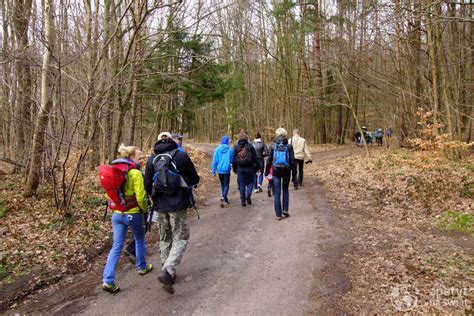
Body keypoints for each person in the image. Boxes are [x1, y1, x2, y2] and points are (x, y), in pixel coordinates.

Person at [144, 132, 200, 294]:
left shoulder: (151, 160)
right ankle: (169, 270)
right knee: (180, 237)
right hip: (178, 205)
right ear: (172, 141)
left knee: (165, 237)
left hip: (160, 206)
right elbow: (194, 178)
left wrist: (155, 194)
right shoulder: (181, 156)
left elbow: (147, 184)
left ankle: (166, 269)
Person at [102, 144, 153, 294]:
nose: (143, 159)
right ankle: (142, 267)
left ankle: (108, 280)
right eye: (140, 157)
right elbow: (141, 196)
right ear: (131, 158)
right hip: (133, 213)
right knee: (139, 239)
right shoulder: (135, 173)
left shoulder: (114, 171)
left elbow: (108, 194)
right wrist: (145, 210)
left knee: (116, 246)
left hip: (117, 215)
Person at [265, 128, 295, 220]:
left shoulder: (273, 146)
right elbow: (292, 161)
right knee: (285, 189)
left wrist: (266, 172)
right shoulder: (289, 146)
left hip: (276, 171)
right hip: (286, 171)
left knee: (277, 192)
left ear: (277, 135)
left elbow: (269, 160)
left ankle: (278, 214)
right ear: (285, 135)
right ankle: (285, 210)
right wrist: (294, 174)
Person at [232, 130, 260, 207]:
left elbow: (234, 159)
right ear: (246, 138)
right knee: (250, 182)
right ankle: (248, 195)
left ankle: (243, 201)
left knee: (242, 185)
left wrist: (234, 169)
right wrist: (258, 167)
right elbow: (255, 158)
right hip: (250, 168)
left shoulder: (236, 146)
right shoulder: (250, 146)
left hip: (240, 168)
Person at [211, 135, 234, 208]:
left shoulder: (217, 149)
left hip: (220, 170)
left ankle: (225, 199)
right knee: (226, 185)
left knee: (223, 185)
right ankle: (223, 197)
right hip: (226, 170)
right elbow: (231, 160)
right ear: (227, 142)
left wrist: (213, 171)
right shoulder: (230, 150)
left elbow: (214, 161)